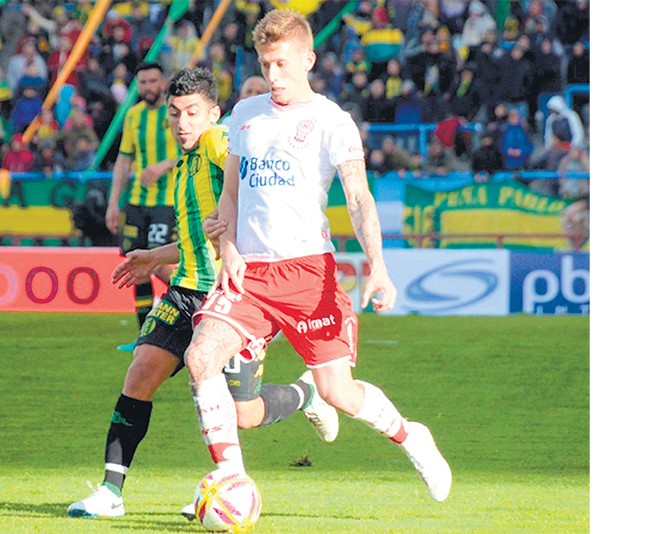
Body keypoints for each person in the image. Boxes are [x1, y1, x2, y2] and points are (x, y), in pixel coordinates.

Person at [182, 9, 452, 504]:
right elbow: (231, 196)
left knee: (338, 394)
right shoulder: (245, 115)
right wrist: (229, 249)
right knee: (200, 358)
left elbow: (359, 198)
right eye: (266, 65)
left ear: (308, 58)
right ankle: (233, 479)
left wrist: (379, 268)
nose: (274, 75)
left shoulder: (333, 121)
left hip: (309, 276)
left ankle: (413, 437)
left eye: (282, 63)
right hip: (249, 275)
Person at [67, 66, 339, 519]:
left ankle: (305, 395)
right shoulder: (183, 164)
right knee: (139, 375)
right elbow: (196, 237)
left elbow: (253, 188)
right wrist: (155, 257)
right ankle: (111, 491)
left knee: (244, 413)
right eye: (175, 114)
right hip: (184, 291)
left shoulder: (217, 143)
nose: (182, 123)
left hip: (230, 298)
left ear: (213, 113)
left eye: (193, 112)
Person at [105, 62, 181, 351]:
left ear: (163, 83)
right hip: (137, 201)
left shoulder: (177, 111)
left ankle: (199, 301)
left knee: (158, 262)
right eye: (143, 82)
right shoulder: (134, 116)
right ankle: (144, 334)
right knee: (137, 262)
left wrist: (165, 164)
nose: (148, 87)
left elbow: (196, 148)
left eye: (153, 81)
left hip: (169, 201)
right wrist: (114, 203)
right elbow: (124, 160)